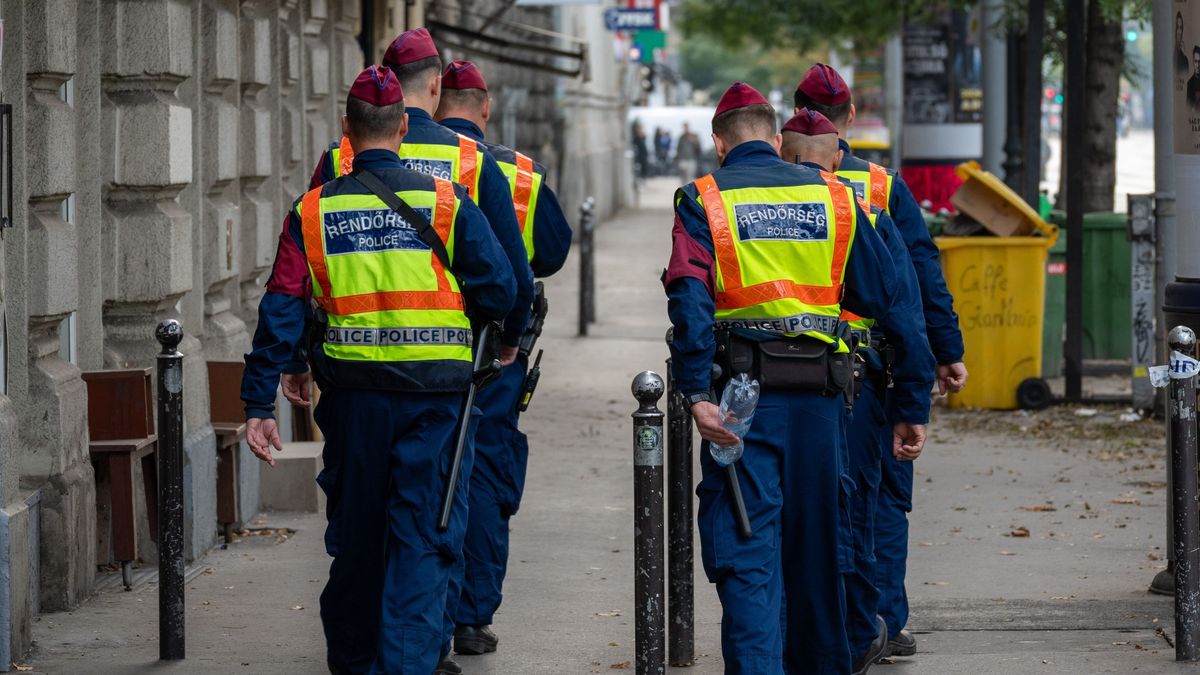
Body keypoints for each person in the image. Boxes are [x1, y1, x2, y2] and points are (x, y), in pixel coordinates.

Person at [240, 65, 517, 675]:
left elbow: (282, 304)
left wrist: (260, 401)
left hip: (354, 402)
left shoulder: (312, 211)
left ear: (347, 128)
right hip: (437, 403)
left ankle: (354, 661)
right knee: (423, 538)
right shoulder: (445, 201)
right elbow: (501, 287)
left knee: (358, 539)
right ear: (402, 128)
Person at [665, 82, 933, 674]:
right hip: (823, 402)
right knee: (820, 550)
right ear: (774, 139)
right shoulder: (838, 198)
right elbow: (882, 292)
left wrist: (695, 391)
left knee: (747, 545)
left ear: (719, 142)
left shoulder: (703, 198)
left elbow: (689, 296)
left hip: (741, 402)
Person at [794, 62, 967, 659]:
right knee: (883, 496)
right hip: (879, 367)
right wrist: (946, 351)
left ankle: (828, 622)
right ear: (848, 117)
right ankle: (883, 619)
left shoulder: (771, 184)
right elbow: (920, 276)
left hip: (800, 366)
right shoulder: (881, 186)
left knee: (817, 498)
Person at [433, 59, 573, 657]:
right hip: (493, 347)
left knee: (418, 476)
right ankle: (470, 617)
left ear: (436, 100)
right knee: (486, 474)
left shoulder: (380, 153)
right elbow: (552, 253)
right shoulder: (519, 173)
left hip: (405, 345)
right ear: (486, 108)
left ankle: (416, 620)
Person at [781, 108, 929, 672]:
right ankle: (858, 633)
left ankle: (795, 639)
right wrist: (911, 404)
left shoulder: (750, 213)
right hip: (855, 387)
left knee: (789, 518)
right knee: (854, 510)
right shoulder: (862, 211)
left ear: (781, 151)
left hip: (773, 391)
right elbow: (903, 313)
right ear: (837, 157)